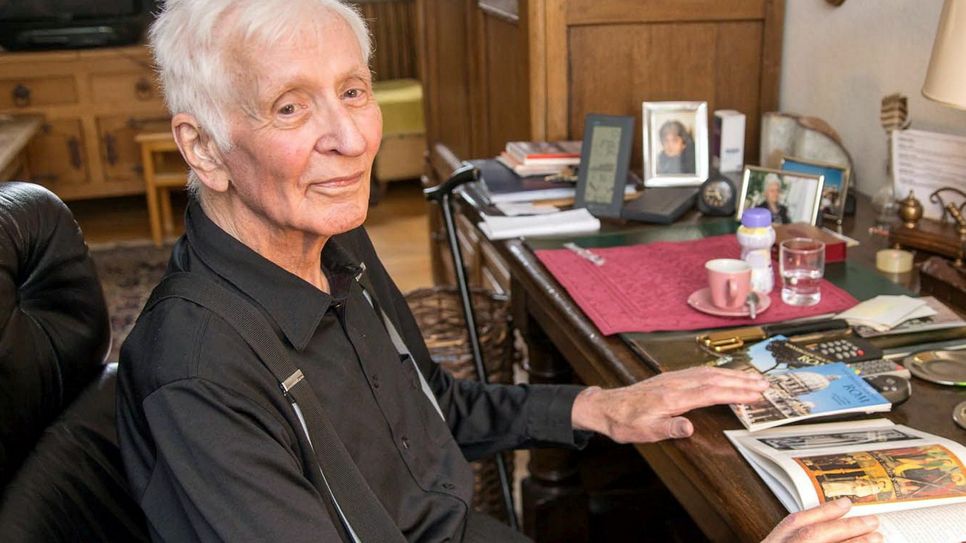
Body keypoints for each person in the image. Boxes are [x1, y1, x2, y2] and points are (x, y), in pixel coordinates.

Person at [115, 1, 882, 542]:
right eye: (290, 107)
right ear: (203, 147)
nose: (350, 138)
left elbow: (429, 406)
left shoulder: (334, 245)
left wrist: (602, 405)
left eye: (352, 91)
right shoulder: (197, 368)